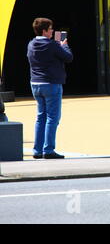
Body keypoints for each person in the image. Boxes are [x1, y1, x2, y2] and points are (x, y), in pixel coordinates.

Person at [27, 18, 73, 159]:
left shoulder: (31, 44)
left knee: (41, 117)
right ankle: (48, 150)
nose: (53, 31)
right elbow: (68, 57)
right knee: (53, 118)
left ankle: (37, 150)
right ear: (44, 30)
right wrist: (64, 45)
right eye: (51, 29)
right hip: (51, 84)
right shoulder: (52, 45)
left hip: (35, 83)